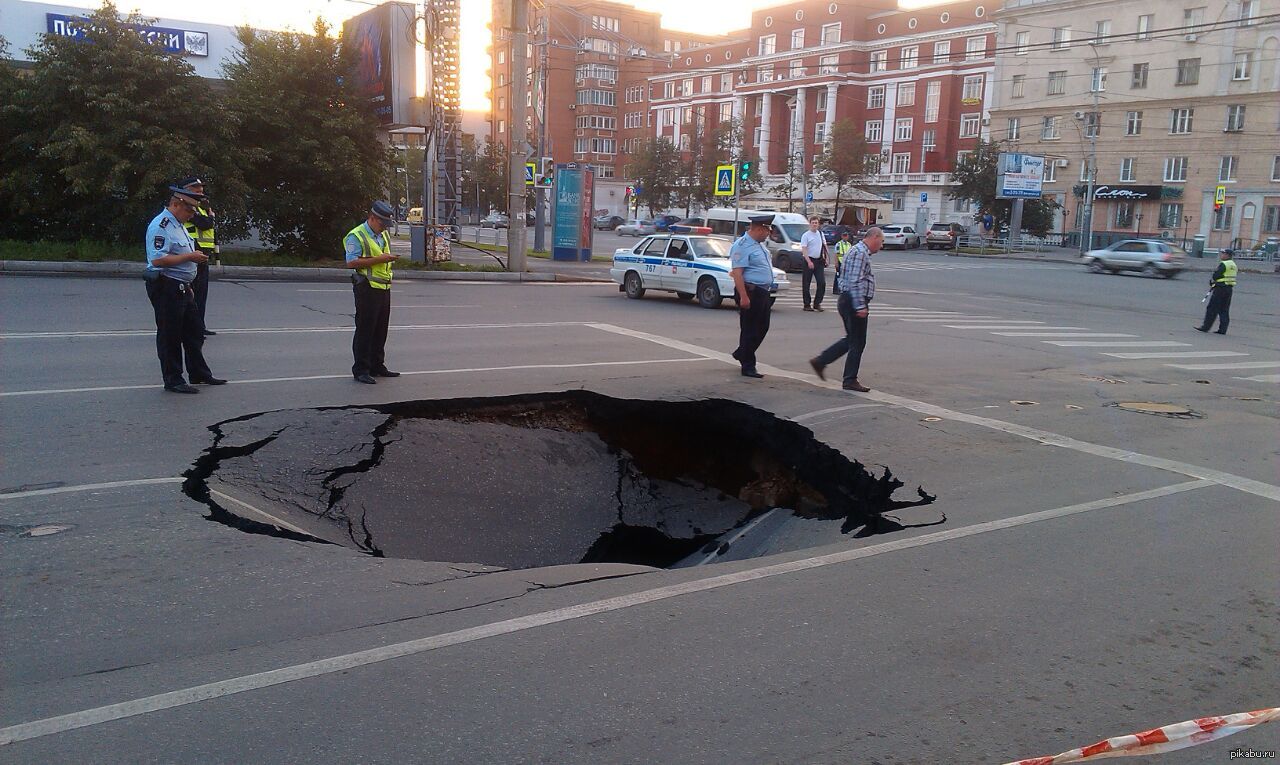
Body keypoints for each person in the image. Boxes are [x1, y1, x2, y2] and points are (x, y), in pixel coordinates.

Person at [144, 185, 226, 393]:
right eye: (189, 210)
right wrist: (190, 257)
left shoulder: (179, 224)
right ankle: (173, 379)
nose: (192, 215)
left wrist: (189, 283)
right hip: (166, 285)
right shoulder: (161, 226)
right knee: (170, 334)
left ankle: (198, 373)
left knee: (195, 331)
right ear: (175, 204)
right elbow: (158, 259)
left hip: (182, 286)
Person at [809, 227, 884, 393]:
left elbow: (845, 278)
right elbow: (855, 282)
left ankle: (821, 361)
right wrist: (860, 305)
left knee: (852, 339)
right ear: (875, 237)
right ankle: (849, 379)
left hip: (848, 300)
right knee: (858, 341)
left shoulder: (855, 250)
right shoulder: (860, 253)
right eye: (882, 241)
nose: (882, 245)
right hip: (853, 301)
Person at [346, 201, 401, 384]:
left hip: (384, 287)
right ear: (372, 218)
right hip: (367, 288)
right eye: (382, 223)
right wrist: (381, 259)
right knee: (365, 330)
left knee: (380, 330)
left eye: (386, 224)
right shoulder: (356, 235)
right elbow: (351, 262)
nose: (384, 227)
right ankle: (361, 369)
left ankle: (377, 365)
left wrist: (387, 260)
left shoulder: (382, 234)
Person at [729, 215, 777, 379]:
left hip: (762, 291)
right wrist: (743, 296)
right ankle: (748, 366)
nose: (768, 234)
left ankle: (742, 352)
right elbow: (737, 273)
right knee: (750, 329)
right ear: (758, 229)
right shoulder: (741, 246)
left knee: (763, 327)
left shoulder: (759, 245)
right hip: (750, 291)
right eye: (766, 230)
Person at [178, 177, 218, 336]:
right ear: (187, 190)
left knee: (201, 294)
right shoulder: (187, 205)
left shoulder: (201, 206)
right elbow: (205, 224)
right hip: (192, 251)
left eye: (201, 189)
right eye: (197, 190)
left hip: (203, 253)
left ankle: (199, 326)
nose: (201, 192)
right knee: (191, 293)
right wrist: (211, 217)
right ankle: (191, 328)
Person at [1195, 248, 1237, 335]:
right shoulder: (1233, 265)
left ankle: (1205, 327)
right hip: (1229, 289)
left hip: (1220, 288)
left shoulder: (1224, 264)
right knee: (1224, 310)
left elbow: (1216, 275)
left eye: (1223, 254)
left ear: (1228, 255)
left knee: (1212, 308)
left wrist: (1213, 281)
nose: (1222, 255)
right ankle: (1223, 330)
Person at [799, 216, 828, 312]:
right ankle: (807, 304)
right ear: (810, 224)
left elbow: (824, 246)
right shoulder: (806, 235)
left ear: (818, 224)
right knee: (806, 283)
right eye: (813, 223)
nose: (815, 224)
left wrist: (827, 257)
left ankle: (817, 303)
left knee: (822, 283)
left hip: (819, 261)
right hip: (809, 260)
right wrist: (809, 261)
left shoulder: (820, 234)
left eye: (816, 223)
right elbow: (804, 249)